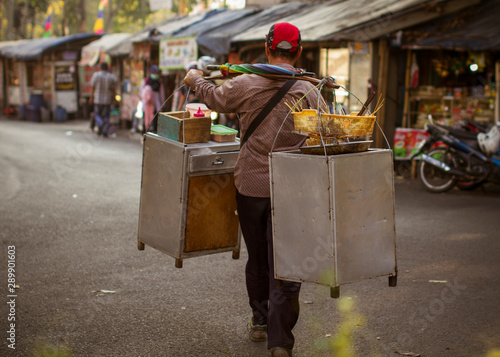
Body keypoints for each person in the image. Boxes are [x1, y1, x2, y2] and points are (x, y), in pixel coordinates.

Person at [184, 23, 325, 357]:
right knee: (287, 263)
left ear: (267, 48)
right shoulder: (309, 90)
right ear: (299, 52)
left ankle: (260, 321)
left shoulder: (245, 83)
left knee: (258, 259)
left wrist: (194, 79)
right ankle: (280, 342)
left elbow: (213, 98)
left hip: (251, 186)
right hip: (293, 189)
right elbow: (324, 130)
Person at [89, 62, 118, 137]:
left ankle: (100, 123)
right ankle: (104, 130)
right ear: (107, 68)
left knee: (97, 114)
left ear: (100, 68)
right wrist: (114, 99)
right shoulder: (111, 77)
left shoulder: (96, 75)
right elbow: (113, 90)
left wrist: (91, 97)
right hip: (107, 100)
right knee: (106, 116)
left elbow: (93, 88)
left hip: (98, 99)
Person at [140, 65, 165, 132]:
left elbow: (161, 93)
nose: (155, 74)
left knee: (154, 119)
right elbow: (142, 92)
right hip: (147, 103)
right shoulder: (146, 80)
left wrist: (162, 103)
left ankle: (153, 133)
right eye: (154, 72)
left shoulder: (159, 81)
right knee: (146, 119)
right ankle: (144, 132)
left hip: (156, 103)